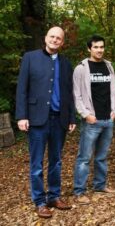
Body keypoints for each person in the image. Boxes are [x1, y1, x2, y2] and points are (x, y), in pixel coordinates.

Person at [15, 27, 75, 218]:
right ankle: (40, 201)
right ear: (45, 38)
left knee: (56, 161)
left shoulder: (66, 63)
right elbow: (22, 89)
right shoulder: (30, 58)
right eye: (52, 36)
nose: (55, 40)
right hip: (36, 118)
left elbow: (68, 92)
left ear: (62, 42)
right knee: (37, 163)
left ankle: (54, 196)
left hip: (59, 119)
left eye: (59, 38)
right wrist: (22, 116)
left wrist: (72, 117)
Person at [73, 35, 115, 204]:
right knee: (84, 157)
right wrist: (86, 115)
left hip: (108, 119)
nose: (99, 50)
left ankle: (100, 185)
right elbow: (76, 95)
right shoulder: (81, 68)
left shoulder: (109, 66)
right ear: (89, 49)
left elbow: (113, 91)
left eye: (101, 47)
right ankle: (79, 191)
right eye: (96, 47)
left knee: (102, 156)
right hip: (91, 120)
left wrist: (114, 110)